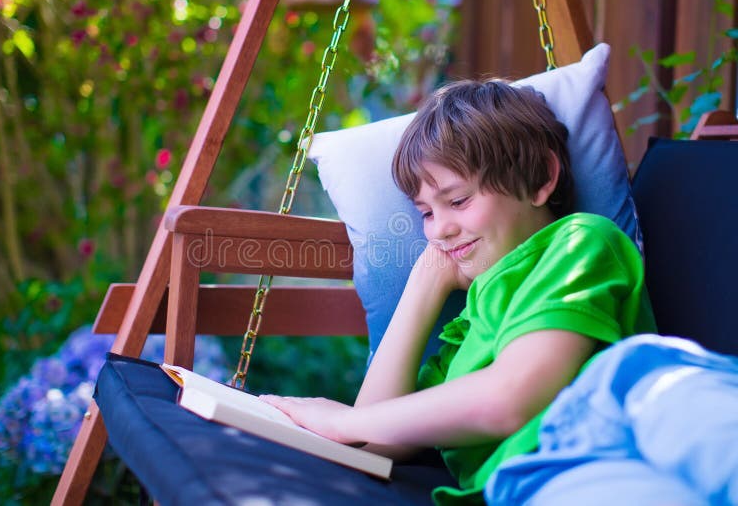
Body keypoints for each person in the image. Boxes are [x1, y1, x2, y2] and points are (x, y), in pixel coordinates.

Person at [262, 79, 657, 504]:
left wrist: (343, 424)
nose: (440, 230)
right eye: (426, 213)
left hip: (597, 473)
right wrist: (424, 284)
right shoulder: (469, 320)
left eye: (459, 200)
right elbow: (376, 445)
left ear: (541, 177)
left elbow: (511, 399)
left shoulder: (581, 243)